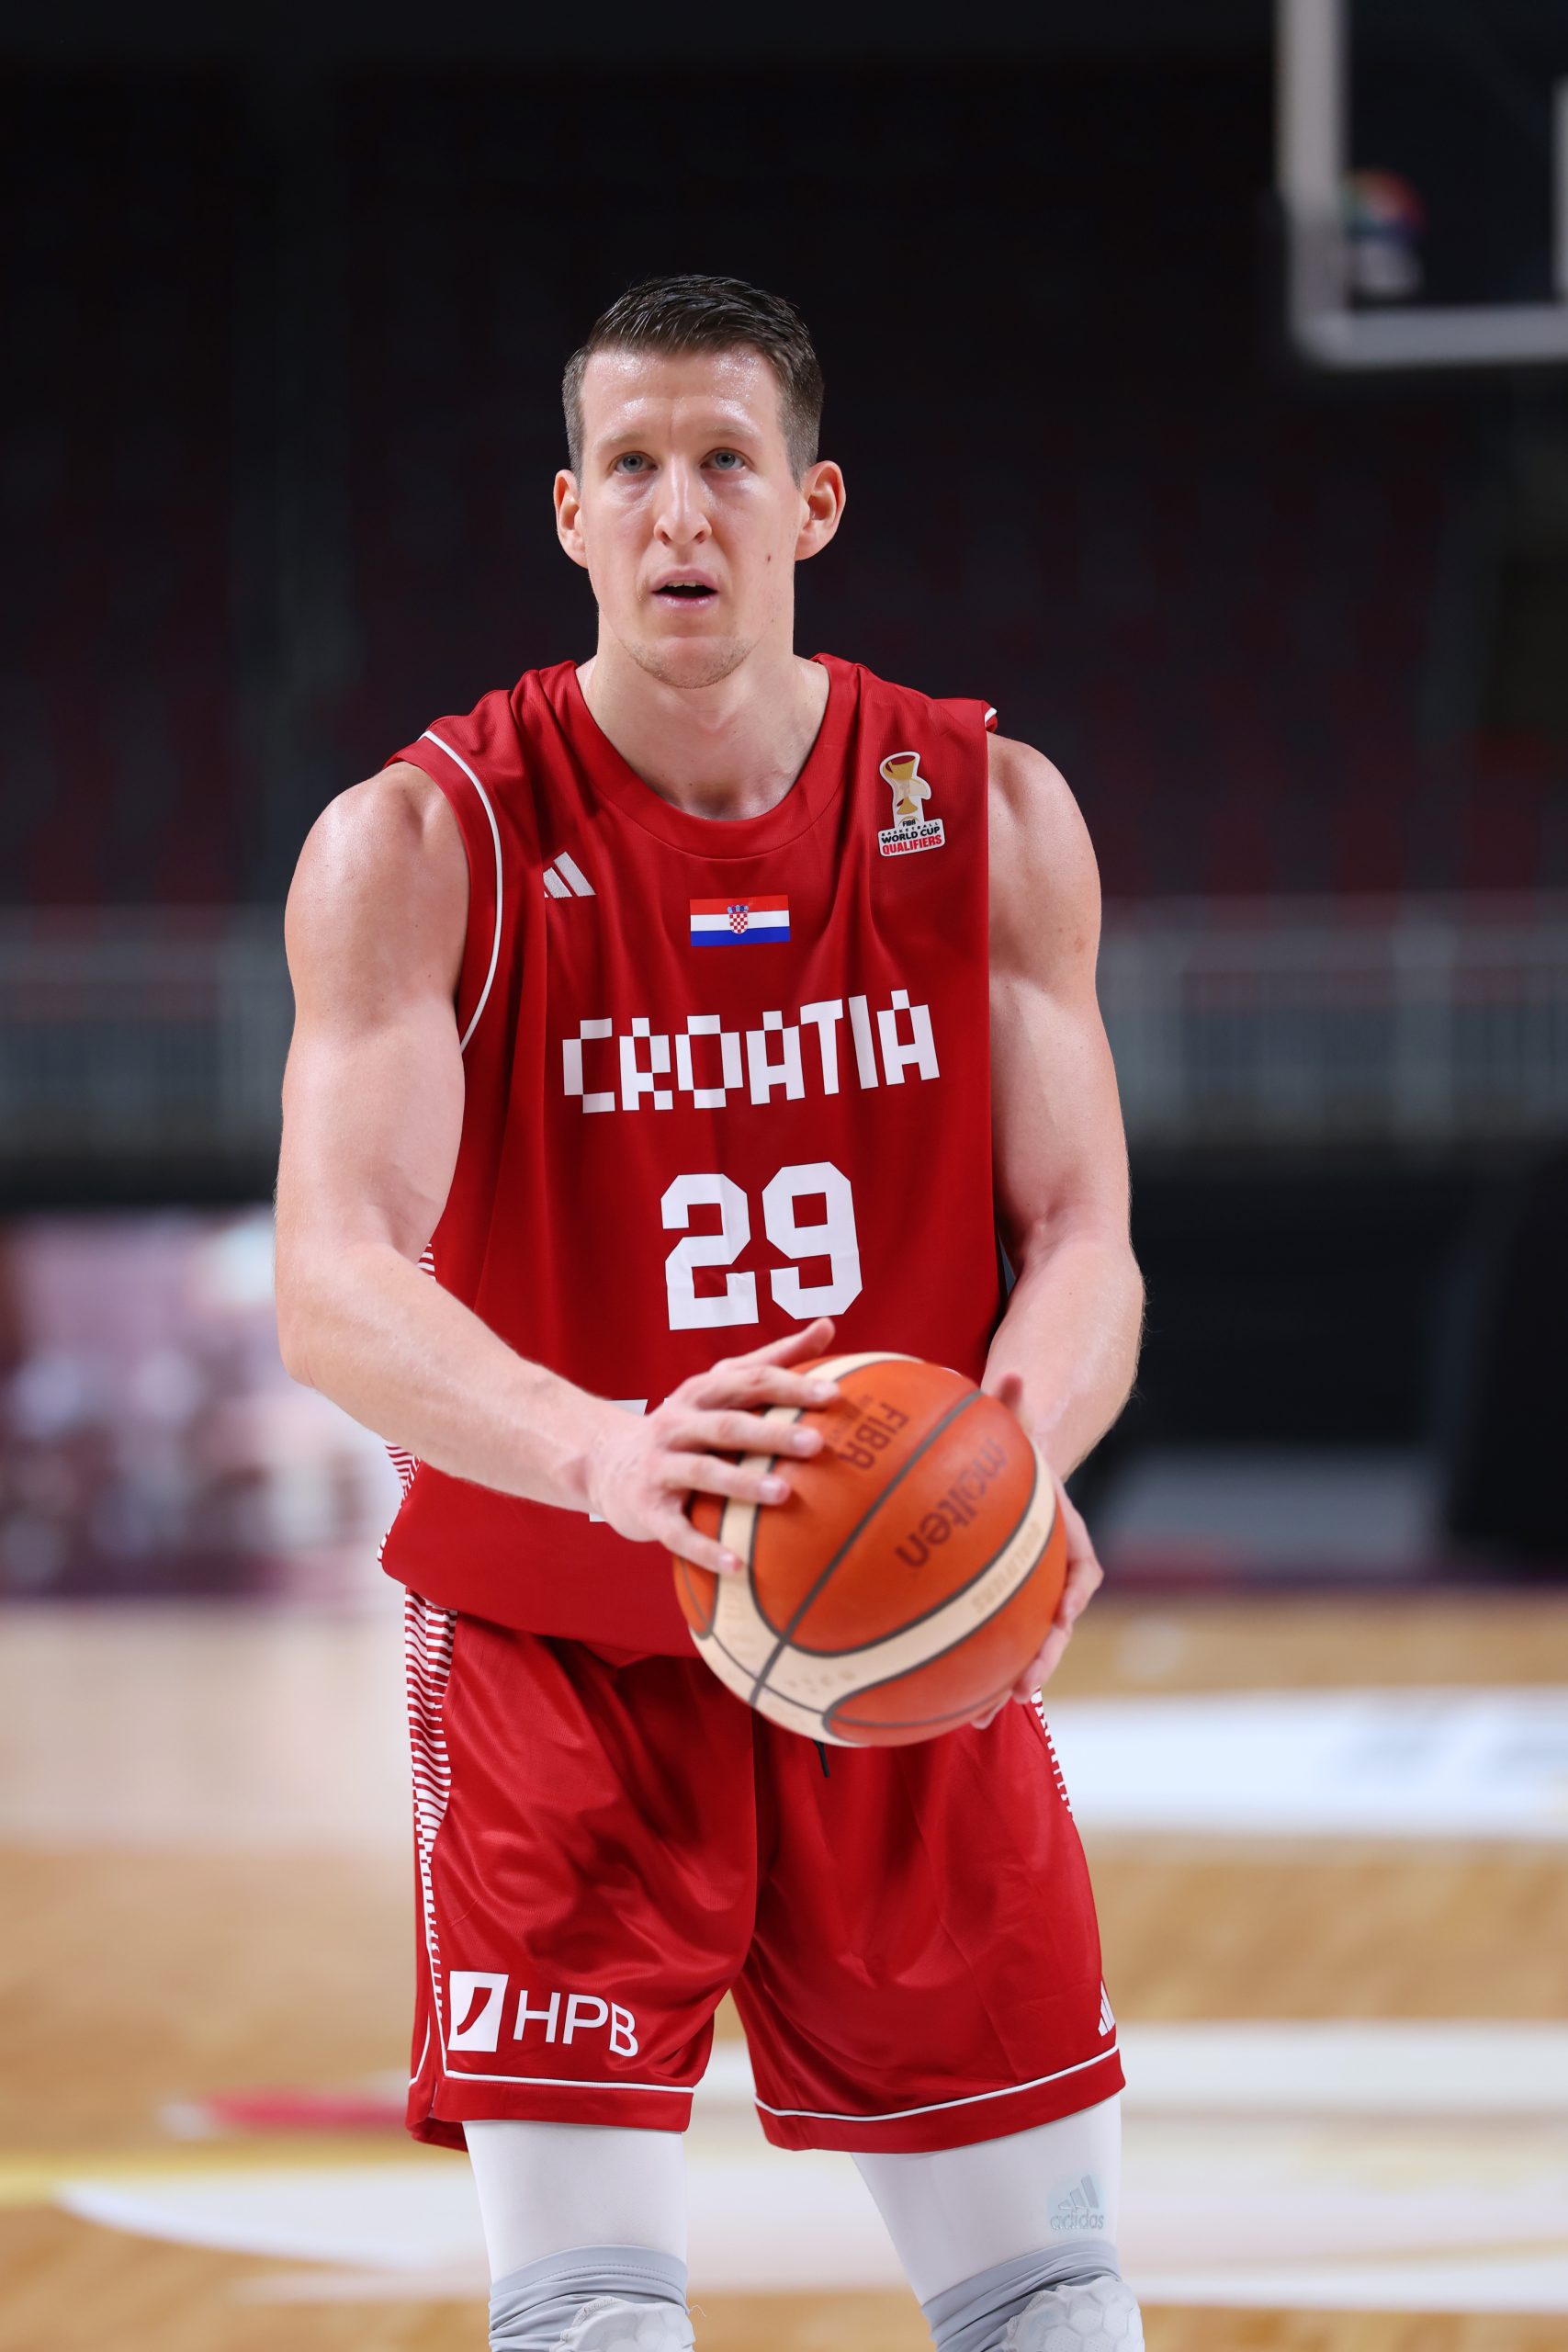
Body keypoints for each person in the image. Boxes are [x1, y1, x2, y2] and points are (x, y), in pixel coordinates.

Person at [276, 274, 1146, 2352]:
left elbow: (1084, 1236)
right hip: (562, 1649)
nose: (681, 510)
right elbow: (330, 1278)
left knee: (1048, 2296)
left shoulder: (983, 811)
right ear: (570, 512)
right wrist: (602, 1447)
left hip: (898, 1634)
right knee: (588, 2311)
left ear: (811, 504)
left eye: (727, 462)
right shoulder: (423, 838)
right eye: (635, 465)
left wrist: (1019, 1456)